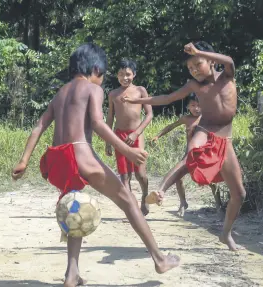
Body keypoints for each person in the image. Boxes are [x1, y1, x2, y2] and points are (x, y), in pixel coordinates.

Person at [11, 43, 180, 287]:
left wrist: (24, 160)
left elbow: (40, 125)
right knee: (128, 200)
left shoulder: (61, 92)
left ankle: (71, 274)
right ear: (96, 69)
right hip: (80, 152)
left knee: (74, 209)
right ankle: (160, 259)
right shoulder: (93, 89)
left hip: (59, 157)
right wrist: (128, 151)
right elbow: (99, 124)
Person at [122, 41, 246, 251]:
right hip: (205, 130)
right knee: (192, 154)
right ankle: (161, 190)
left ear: (211, 61)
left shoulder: (226, 76)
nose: (194, 70)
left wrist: (199, 52)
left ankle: (225, 234)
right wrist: (136, 102)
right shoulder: (194, 85)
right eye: (190, 68)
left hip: (225, 140)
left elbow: (230, 61)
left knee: (239, 194)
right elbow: (167, 98)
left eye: (198, 64)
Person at [150, 94, 220, 217]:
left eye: (199, 105)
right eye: (193, 105)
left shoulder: (207, 118)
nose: (196, 108)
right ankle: (183, 203)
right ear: (187, 106)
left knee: (211, 180)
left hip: (204, 154)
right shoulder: (186, 119)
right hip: (188, 154)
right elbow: (171, 126)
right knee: (178, 178)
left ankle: (219, 205)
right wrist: (157, 135)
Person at [105, 59, 153, 215]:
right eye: (120, 74)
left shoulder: (140, 90)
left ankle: (145, 195)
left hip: (136, 135)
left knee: (140, 174)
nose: (124, 78)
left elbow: (149, 114)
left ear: (134, 74)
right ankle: (132, 207)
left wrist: (136, 133)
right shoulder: (113, 94)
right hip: (119, 137)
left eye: (128, 74)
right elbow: (110, 118)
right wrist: (108, 141)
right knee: (124, 175)